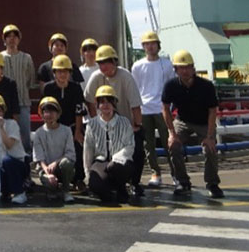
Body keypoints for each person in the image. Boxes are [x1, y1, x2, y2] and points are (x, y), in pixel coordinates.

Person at [83, 44, 145, 197]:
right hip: (104, 122)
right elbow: (89, 99)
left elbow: (135, 104)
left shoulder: (126, 76)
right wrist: (95, 120)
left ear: (114, 61)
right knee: (99, 180)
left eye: (107, 62)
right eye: (100, 63)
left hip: (125, 124)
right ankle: (109, 184)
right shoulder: (96, 77)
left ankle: (134, 183)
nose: (103, 66)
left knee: (137, 150)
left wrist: (137, 125)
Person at [162, 50, 223, 198]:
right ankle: (182, 181)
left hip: (204, 121)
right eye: (181, 68)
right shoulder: (171, 85)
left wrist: (209, 136)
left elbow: (212, 111)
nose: (184, 71)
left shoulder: (206, 86)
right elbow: (165, 108)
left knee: (210, 148)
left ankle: (212, 183)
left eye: (187, 67)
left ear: (193, 68)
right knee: (173, 145)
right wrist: (172, 133)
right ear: (176, 70)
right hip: (183, 120)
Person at [130, 31, 175, 188]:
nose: (150, 46)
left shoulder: (167, 64)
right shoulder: (137, 66)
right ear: (143, 47)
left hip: (162, 108)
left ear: (158, 45)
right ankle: (155, 173)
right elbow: (134, 89)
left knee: (169, 142)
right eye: (147, 44)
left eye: (153, 43)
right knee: (148, 145)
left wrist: (171, 106)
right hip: (144, 110)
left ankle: (175, 173)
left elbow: (171, 85)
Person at [41, 54, 87, 190]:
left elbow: (79, 111)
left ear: (70, 73)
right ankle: (52, 176)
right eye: (59, 71)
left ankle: (79, 179)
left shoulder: (76, 88)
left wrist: (78, 131)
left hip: (72, 126)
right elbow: (45, 109)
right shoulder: (48, 88)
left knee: (78, 147)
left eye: (65, 71)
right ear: (54, 73)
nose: (62, 74)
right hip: (53, 126)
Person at [83, 84, 134, 203]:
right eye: (102, 102)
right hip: (100, 161)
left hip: (120, 162)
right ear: (97, 105)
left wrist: (116, 159)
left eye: (109, 102)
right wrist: (87, 172)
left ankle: (121, 189)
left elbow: (130, 146)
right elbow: (88, 149)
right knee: (95, 184)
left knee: (115, 168)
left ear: (114, 104)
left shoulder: (124, 122)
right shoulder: (92, 124)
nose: (105, 105)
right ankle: (108, 192)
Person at [32, 96, 76, 203]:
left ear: (58, 114)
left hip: (61, 167)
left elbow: (70, 153)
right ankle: (51, 191)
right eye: (46, 112)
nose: (49, 115)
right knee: (49, 182)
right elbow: (39, 158)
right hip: (45, 169)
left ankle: (66, 190)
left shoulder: (67, 130)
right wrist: (48, 172)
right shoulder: (38, 133)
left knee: (67, 164)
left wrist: (55, 163)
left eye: (52, 111)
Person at [0, 94, 27, 205]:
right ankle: (5, 192)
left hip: (17, 164)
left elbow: (9, 145)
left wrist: (0, 127)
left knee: (6, 161)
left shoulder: (12, 124)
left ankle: (20, 192)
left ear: (3, 112)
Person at [2, 24, 36, 154]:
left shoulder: (26, 58)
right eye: (8, 36)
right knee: (5, 133)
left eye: (14, 36)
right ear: (4, 39)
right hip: (4, 104)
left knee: (25, 135)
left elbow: (31, 80)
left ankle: (27, 159)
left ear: (19, 39)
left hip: (23, 102)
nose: (12, 39)